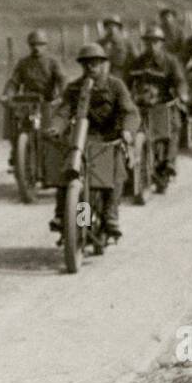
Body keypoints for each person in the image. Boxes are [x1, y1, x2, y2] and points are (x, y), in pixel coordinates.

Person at [49, 43, 138, 252]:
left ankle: (110, 214)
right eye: (87, 64)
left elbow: (130, 112)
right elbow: (63, 112)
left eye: (96, 63)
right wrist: (55, 127)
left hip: (109, 138)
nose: (91, 67)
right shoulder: (74, 88)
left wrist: (127, 131)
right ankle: (65, 216)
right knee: (67, 171)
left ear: (103, 64)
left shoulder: (116, 86)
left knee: (116, 171)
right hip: (82, 138)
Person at [126, 25, 189, 180]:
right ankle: (128, 168)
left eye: (155, 42)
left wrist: (181, 94)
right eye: (148, 42)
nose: (151, 45)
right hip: (141, 104)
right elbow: (126, 82)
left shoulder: (170, 61)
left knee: (174, 127)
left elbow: (180, 80)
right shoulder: (138, 62)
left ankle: (169, 162)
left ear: (161, 43)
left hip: (164, 103)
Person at [2, 29, 66, 167]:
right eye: (33, 45)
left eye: (40, 44)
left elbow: (62, 79)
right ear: (29, 46)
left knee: (50, 132)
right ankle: (16, 150)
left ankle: (51, 161)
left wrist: (61, 95)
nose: (36, 48)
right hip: (27, 102)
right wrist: (7, 95)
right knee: (13, 118)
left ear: (46, 45)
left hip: (47, 102)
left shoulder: (53, 62)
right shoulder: (23, 63)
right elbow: (14, 81)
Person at [98, 16, 134, 81]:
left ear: (119, 28)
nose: (112, 29)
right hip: (103, 76)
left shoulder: (127, 43)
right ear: (105, 28)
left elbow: (135, 60)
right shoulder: (100, 44)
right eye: (109, 26)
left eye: (114, 26)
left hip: (123, 75)